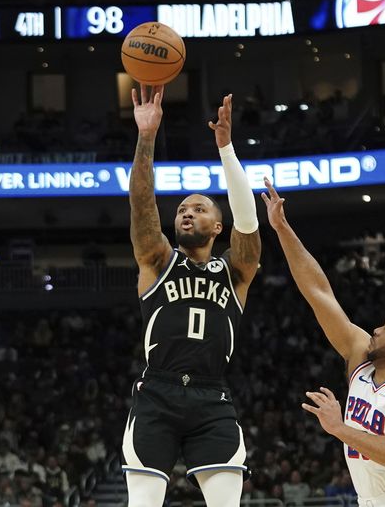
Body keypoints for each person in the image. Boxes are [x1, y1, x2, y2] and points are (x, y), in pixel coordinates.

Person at [261, 179, 385, 507]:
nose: (376, 329)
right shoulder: (361, 358)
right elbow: (319, 293)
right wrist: (282, 228)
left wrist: (339, 427)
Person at [122, 87, 261, 507]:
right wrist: (146, 136)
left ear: (218, 227)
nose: (187, 212)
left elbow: (248, 222)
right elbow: (141, 202)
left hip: (211, 396)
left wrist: (226, 149)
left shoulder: (235, 271)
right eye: (183, 209)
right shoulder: (157, 259)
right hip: (157, 393)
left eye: (199, 209)